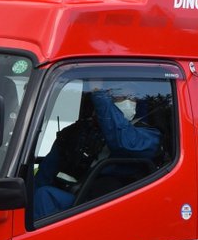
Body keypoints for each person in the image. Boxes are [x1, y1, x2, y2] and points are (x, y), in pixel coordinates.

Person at [33, 82, 163, 218]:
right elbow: (44, 176)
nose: (128, 102)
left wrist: (98, 93)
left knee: (44, 196)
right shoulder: (76, 133)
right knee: (40, 195)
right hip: (78, 203)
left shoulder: (149, 135)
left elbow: (124, 142)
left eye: (132, 98)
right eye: (121, 96)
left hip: (113, 212)